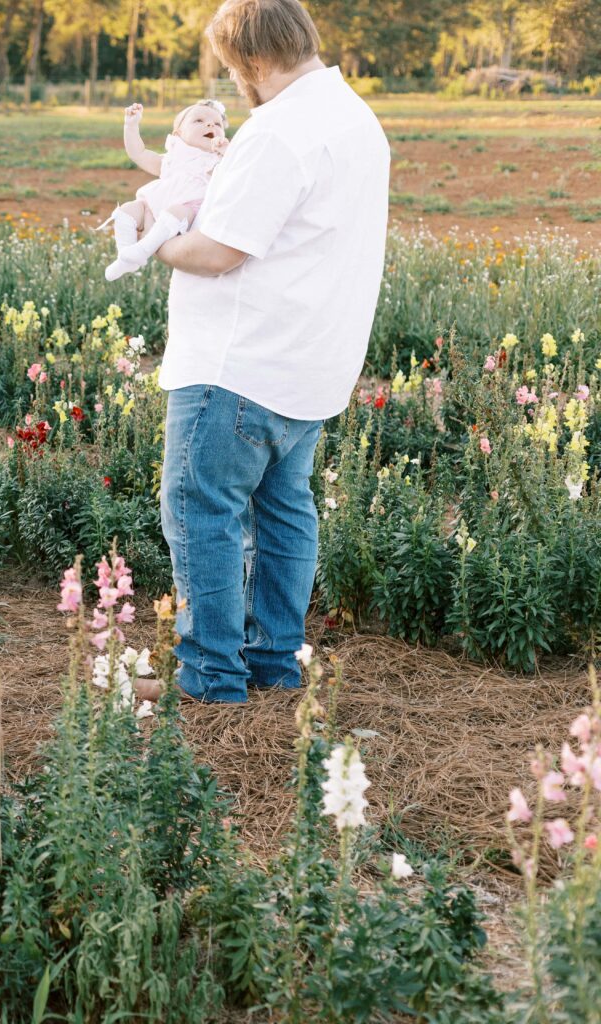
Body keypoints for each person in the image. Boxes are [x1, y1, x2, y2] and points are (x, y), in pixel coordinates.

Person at [148, 0, 390, 703]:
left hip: (240, 362)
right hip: (312, 361)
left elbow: (218, 250)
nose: (237, 88)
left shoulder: (278, 132)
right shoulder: (356, 119)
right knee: (284, 511)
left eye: (234, 71)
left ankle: (212, 678)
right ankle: (276, 665)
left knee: (201, 509)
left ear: (252, 61)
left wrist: (147, 238)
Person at [102, 99, 229, 282]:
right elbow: (139, 153)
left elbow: (237, 168)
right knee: (127, 210)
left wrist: (226, 150)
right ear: (178, 134)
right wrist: (131, 125)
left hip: (188, 212)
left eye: (217, 123)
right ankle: (125, 255)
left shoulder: (215, 161)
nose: (210, 124)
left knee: (177, 211)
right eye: (198, 121)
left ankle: (143, 249)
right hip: (155, 208)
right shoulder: (171, 159)